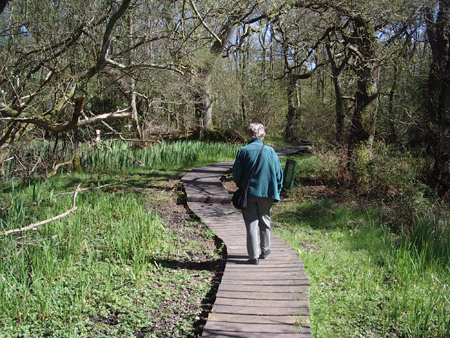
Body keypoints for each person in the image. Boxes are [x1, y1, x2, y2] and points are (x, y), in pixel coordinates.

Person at [232, 123, 283, 265]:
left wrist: (241, 186)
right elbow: (279, 174)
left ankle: (253, 256)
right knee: (265, 221)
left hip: (249, 193)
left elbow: (236, 174)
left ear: (249, 135)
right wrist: (278, 189)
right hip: (268, 192)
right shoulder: (271, 151)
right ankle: (265, 250)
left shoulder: (243, 151)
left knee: (251, 224)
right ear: (263, 135)